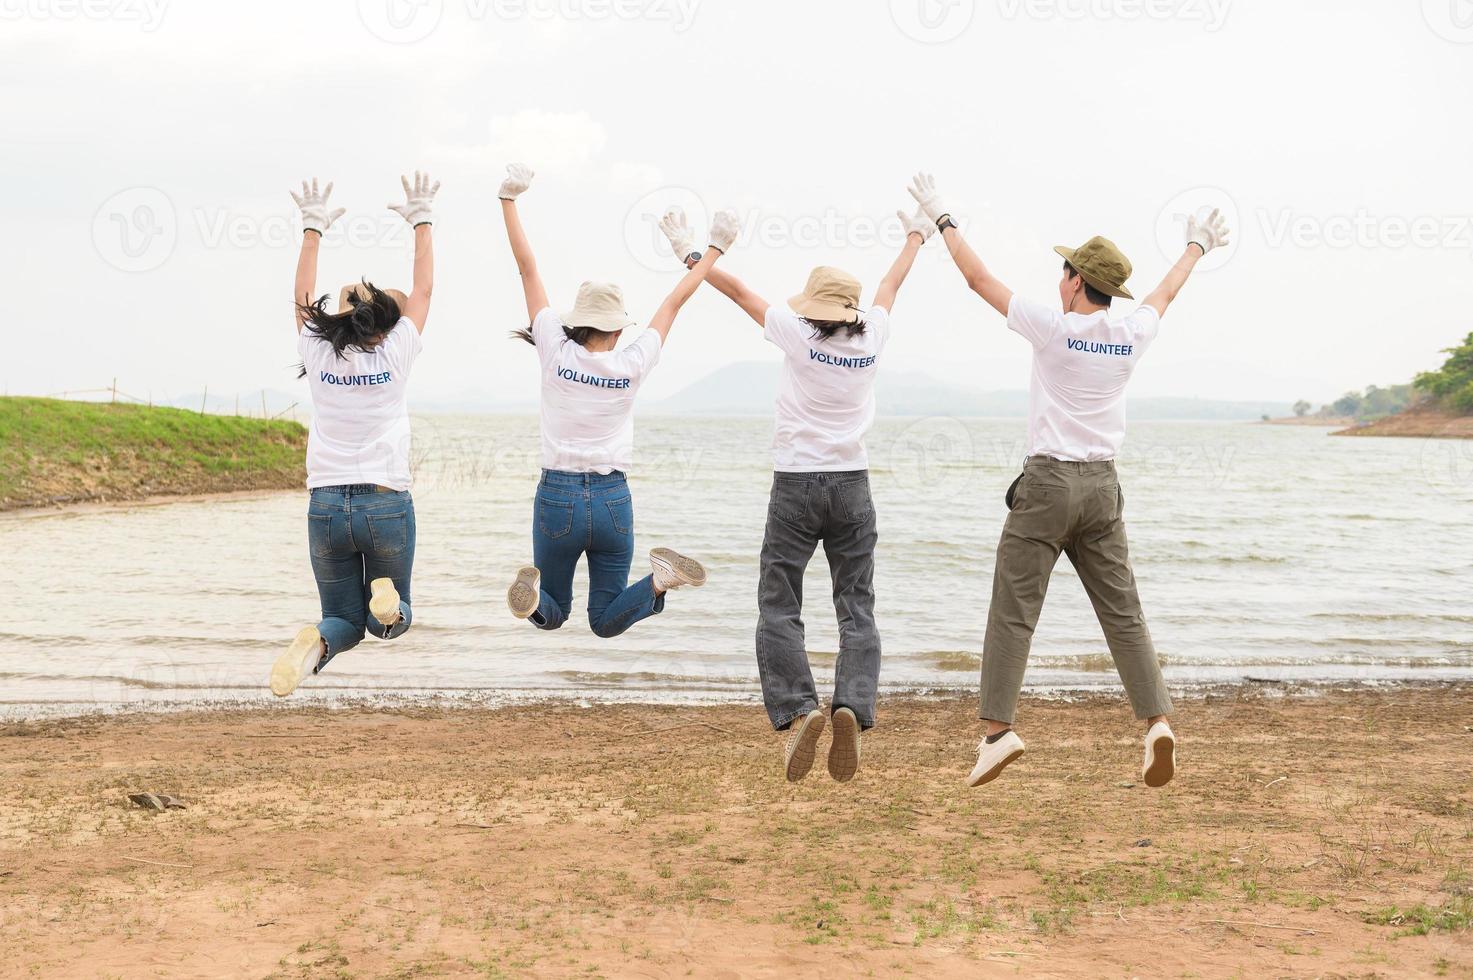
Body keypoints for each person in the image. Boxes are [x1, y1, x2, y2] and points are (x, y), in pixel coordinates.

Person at [902, 173, 1230, 789]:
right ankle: (1156, 722)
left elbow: (978, 281)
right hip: (1103, 489)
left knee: (1013, 611)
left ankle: (998, 734)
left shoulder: (1055, 328)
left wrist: (943, 219)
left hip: (1048, 485)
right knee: (1124, 612)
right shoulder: (1131, 333)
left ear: (1078, 282)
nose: (1058, 282)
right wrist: (1198, 247)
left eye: (1064, 273)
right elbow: (1165, 294)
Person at [658, 203, 933, 783]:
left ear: (814, 305)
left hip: (795, 484)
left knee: (780, 603)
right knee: (856, 605)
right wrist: (916, 233)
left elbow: (735, 291)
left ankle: (797, 710)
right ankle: (852, 711)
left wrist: (693, 247)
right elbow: (890, 285)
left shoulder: (795, 332)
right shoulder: (873, 337)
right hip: (852, 484)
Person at [498, 164, 739, 637]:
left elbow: (527, 268)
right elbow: (673, 303)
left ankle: (534, 602)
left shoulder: (554, 348)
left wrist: (509, 199)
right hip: (612, 500)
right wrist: (713, 248)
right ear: (617, 327)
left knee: (556, 612)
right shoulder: (633, 363)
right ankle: (659, 580)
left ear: (578, 321)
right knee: (604, 620)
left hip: (557, 497)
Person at [270, 172, 438, 697]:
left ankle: (315, 645)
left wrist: (312, 227)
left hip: (325, 504)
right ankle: (386, 600)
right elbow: (425, 289)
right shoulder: (395, 351)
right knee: (392, 619)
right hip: (385, 502)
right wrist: (421, 219)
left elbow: (301, 297)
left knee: (340, 619)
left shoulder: (318, 352)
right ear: (386, 324)